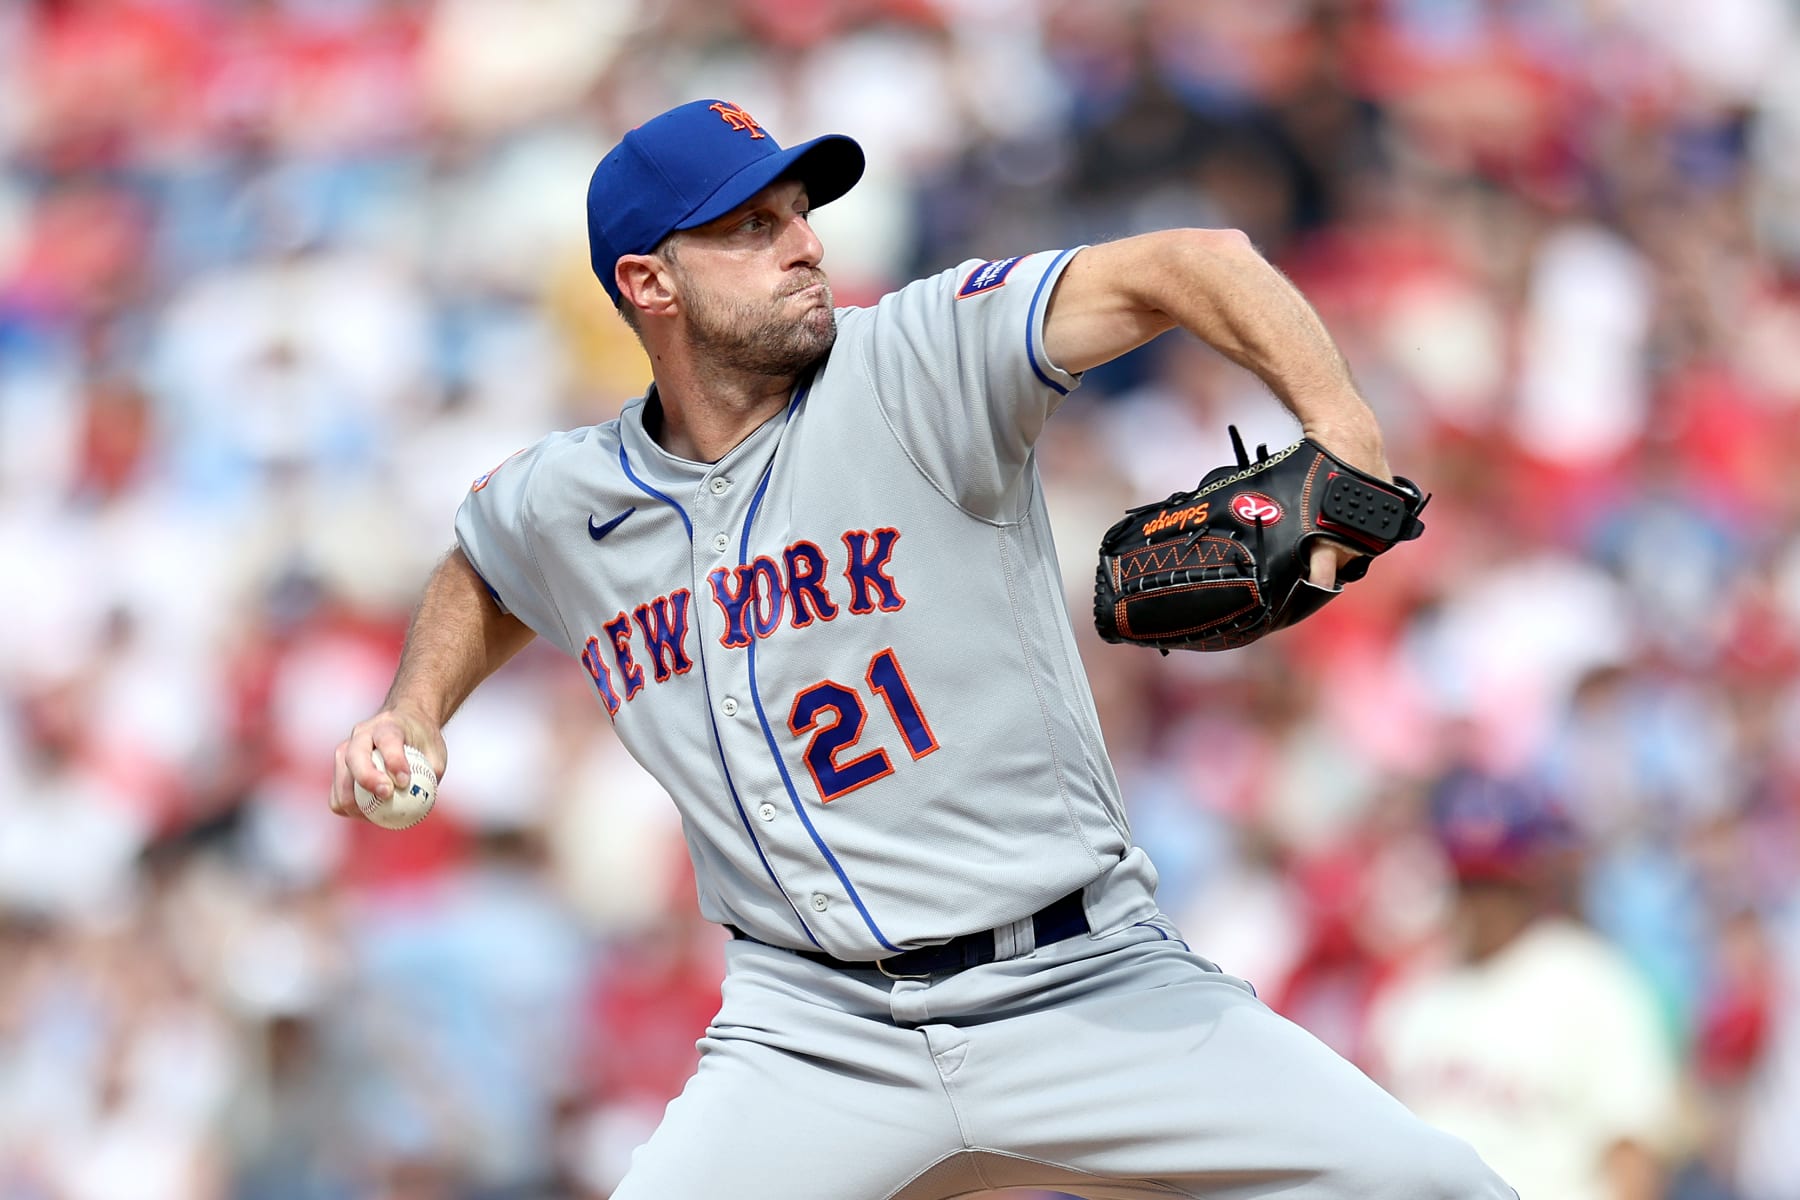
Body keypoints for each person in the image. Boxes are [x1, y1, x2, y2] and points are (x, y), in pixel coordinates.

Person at [330, 98, 1514, 1199]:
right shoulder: (570, 497)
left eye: (801, 214)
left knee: (1436, 1187)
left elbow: (1195, 261)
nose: (803, 244)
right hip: (811, 1030)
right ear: (649, 281)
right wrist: (416, 708)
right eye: (751, 226)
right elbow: (483, 568)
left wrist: (1344, 430)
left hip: (1080, 977)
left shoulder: (914, 363)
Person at [1365, 767, 1679, 1200]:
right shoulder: (1414, 995)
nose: (1481, 901)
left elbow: (1632, 1161)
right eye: (1469, 882)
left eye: (1495, 883)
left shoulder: (1595, 982)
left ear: (1531, 881)